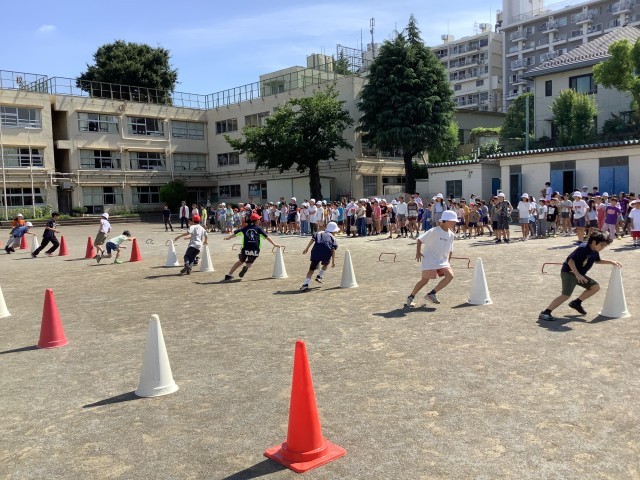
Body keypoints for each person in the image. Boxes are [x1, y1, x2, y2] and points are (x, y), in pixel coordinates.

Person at [538, 231, 621, 321]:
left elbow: (598, 260)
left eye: (604, 246)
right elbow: (570, 261)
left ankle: (576, 303)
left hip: (579, 275)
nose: (603, 248)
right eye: (602, 245)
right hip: (569, 273)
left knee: (595, 287)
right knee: (565, 295)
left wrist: (611, 262)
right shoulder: (582, 249)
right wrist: (577, 275)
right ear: (594, 242)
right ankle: (546, 312)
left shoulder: (595, 251)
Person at [405, 210, 457, 307]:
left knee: (450, 276)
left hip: (443, 261)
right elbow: (420, 239)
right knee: (424, 280)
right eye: (453, 221)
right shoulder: (434, 231)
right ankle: (411, 297)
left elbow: (450, 250)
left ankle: (431, 294)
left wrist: (448, 261)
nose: (454, 223)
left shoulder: (451, 235)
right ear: (445, 221)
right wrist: (418, 252)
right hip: (430, 260)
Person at [223, 213, 280, 280]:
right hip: (255, 248)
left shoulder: (245, 228)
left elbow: (236, 233)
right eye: (259, 219)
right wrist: (274, 244)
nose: (259, 220)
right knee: (249, 263)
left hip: (246, 247)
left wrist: (228, 238)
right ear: (257, 220)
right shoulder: (258, 228)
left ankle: (229, 274)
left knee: (240, 261)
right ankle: (246, 267)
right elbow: (267, 237)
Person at [299, 221, 340, 290]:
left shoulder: (318, 233)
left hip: (316, 252)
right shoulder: (333, 238)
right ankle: (319, 275)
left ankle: (306, 284)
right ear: (333, 231)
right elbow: (333, 250)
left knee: (311, 270)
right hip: (326, 254)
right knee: (326, 264)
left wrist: (306, 248)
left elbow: (312, 240)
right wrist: (333, 261)